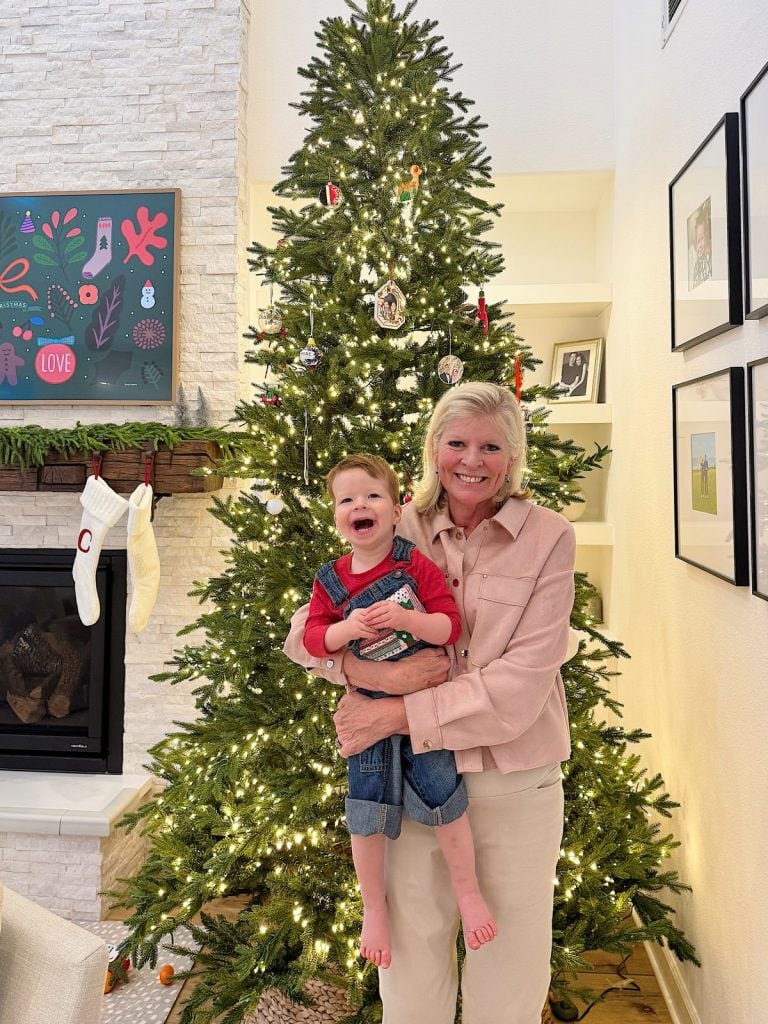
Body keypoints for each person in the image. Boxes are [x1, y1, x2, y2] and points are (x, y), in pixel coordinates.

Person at [284, 382, 576, 1024]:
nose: (471, 460)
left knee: (511, 978)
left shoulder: (549, 537)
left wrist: (393, 712)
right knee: (411, 976)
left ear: (513, 455)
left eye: (491, 446)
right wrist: (363, 667)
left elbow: (520, 689)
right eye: (456, 443)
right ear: (434, 449)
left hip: (514, 785)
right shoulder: (396, 522)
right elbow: (302, 639)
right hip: (413, 778)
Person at [303, 453, 497, 969]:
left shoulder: (413, 565)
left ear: (395, 510)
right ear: (336, 516)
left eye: (371, 496)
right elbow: (313, 638)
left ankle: (467, 889)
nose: (359, 506)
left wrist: (411, 620)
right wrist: (348, 630)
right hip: (366, 716)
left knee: (445, 798)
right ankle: (374, 909)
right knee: (364, 814)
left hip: (426, 713)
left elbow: (449, 628)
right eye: (347, 500)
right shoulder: (332, 581)